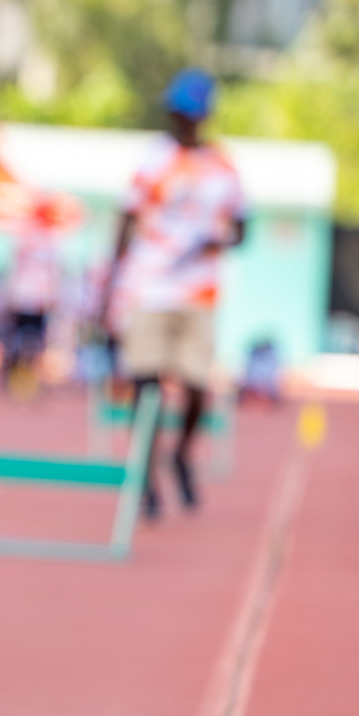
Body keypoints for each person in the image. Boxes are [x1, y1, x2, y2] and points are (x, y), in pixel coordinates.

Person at [102, 68, 246, 519]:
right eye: (177, 112)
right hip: (148, 288)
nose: (181, 121)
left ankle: (181, 453)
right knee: (146, 387)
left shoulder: (223, 166)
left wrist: (215, 242)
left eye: (189, 114)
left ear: (203, 116)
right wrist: (110, 283)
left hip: (198, 292)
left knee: (197, 387)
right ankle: (145, 477)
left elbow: (242, 228)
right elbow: (126, 219)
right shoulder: (152, 158)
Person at [2, 197, 65, 393]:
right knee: (22, 339)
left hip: (36, 299)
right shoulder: (30, 239)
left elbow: (52, 273)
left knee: (32, 340)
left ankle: (27, 378)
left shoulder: (49, 241)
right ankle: (16, 377)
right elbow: (17, 269)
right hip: (27, 298)